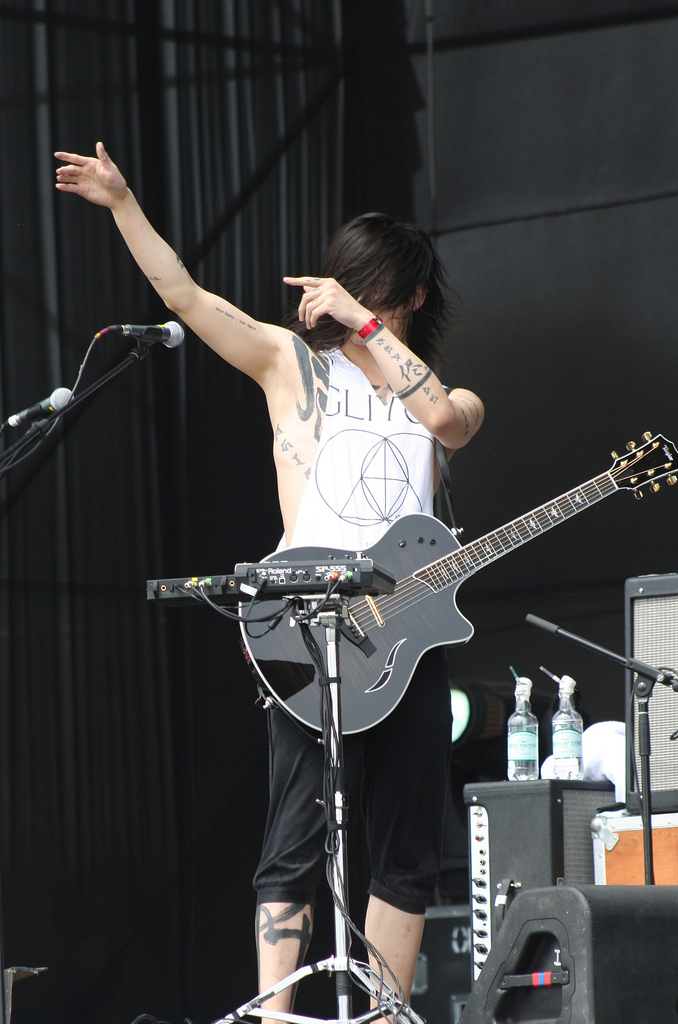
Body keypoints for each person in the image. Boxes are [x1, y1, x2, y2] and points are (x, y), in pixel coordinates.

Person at [55, 142, 484, 1022]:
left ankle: (385, 1013)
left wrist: (365, 327)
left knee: (406, 848)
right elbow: (185, 297)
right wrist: (124, 201)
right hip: (310, 626)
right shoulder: (292, 365)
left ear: (409, 298)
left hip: (409, 634)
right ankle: (278, 1015)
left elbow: (445, 419)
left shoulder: (445, 396)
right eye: (349, 289)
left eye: (374, 293)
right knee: (293, 838)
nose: (355, 305)